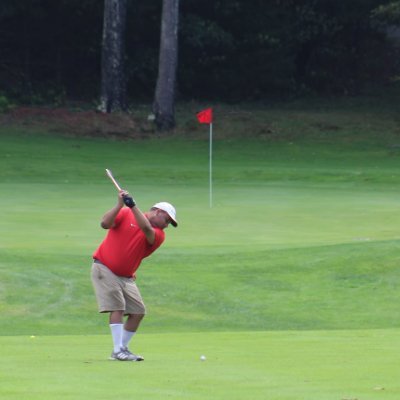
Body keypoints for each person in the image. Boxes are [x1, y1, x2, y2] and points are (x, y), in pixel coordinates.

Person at [91, 189, 177, 361]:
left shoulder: (159, 234)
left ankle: (121, 348)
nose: (167, 224)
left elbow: (145, 227)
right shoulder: (125, 213)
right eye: (166, 220)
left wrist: (133, 206)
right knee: (118, 307)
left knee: (138, 311)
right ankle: (118, 351)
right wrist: (120, 204)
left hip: (126, 276)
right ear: (158, 212)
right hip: (105, 268)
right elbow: (104, 224)